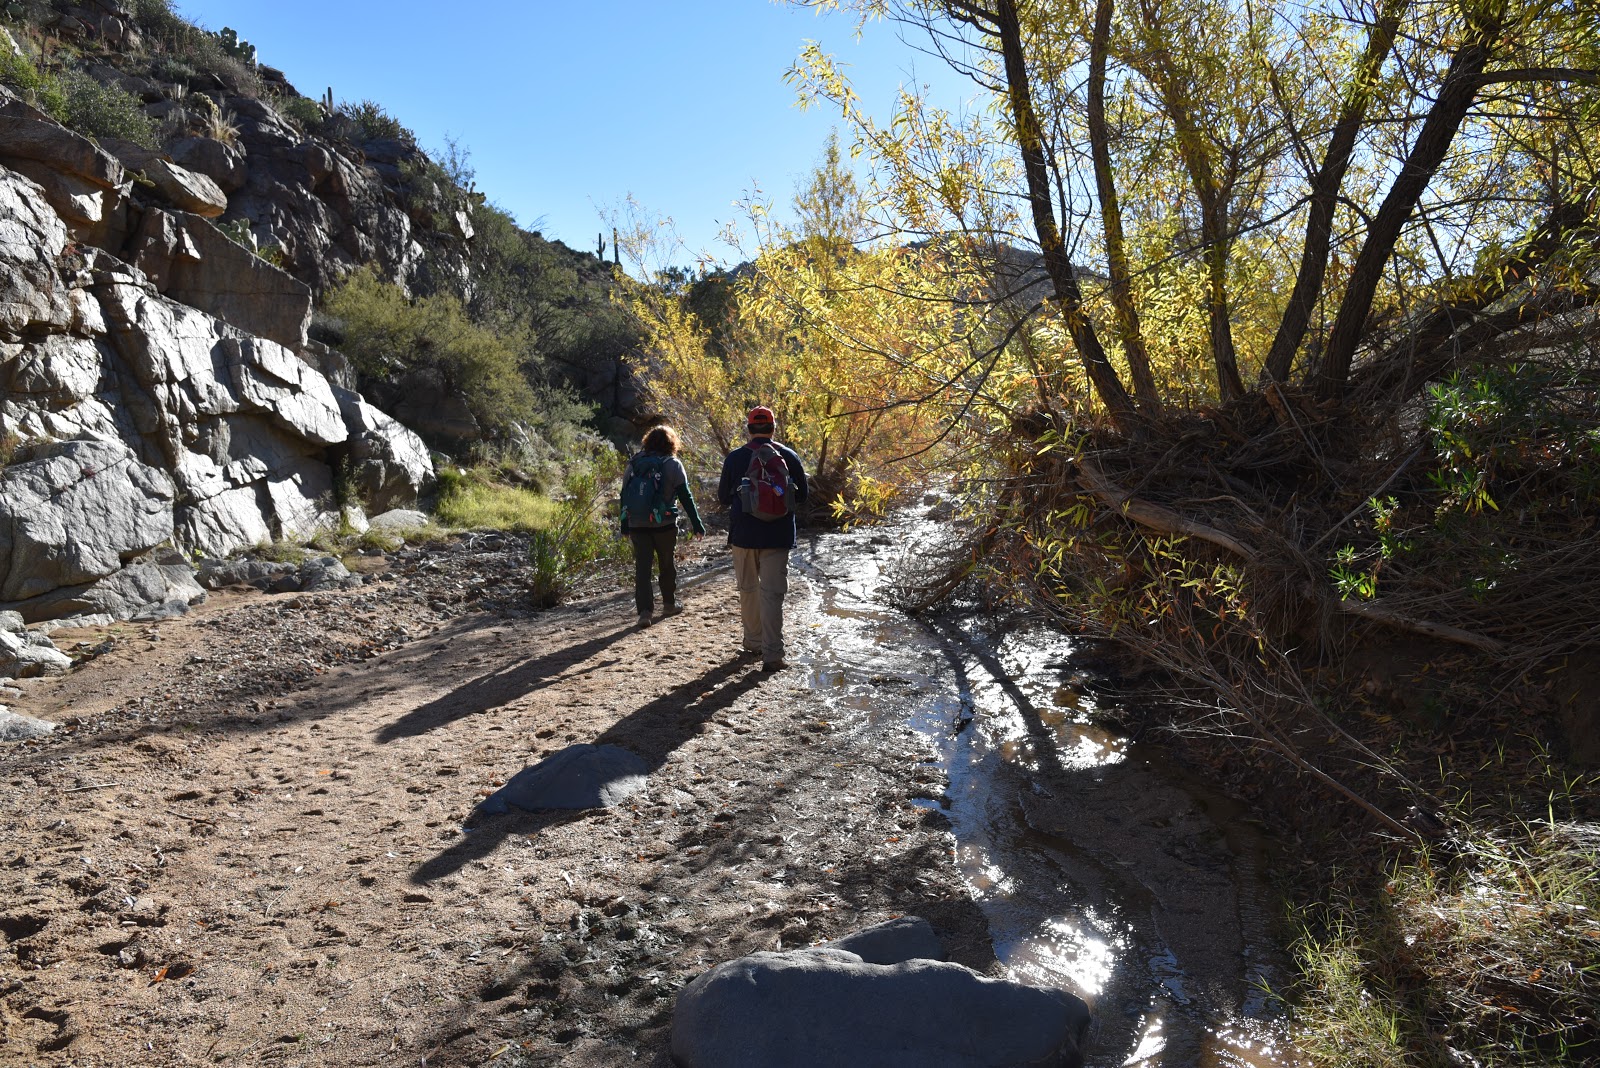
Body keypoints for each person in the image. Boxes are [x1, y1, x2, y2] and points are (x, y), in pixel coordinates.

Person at [718, 405, 809, 671]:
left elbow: (723, 498)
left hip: (744, 535)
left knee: (748, 591)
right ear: (773, 428)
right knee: (772, 595)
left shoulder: (735, 458)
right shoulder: (788, 456)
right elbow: (802, 496)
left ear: (749, 429)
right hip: (778, 536)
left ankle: (753, 642)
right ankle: (773, 654)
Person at [620, 425, 706, 626]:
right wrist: (697, 524)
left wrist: (625, 525)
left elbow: (624, 494)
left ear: (647, 441)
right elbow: (685, 496)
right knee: (666, 565)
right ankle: (669, 604)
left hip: (637, 524)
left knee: (642, 568)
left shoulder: (634, 463)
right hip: (664, 524)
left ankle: (644, 613)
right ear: (672, 443)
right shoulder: (673, 464)